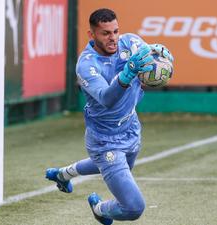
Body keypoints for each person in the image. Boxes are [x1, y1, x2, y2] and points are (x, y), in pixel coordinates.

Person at [45, 8, 173, 225]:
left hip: (131, 129)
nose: (113, 38)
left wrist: (163, 58)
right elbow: (107, 98)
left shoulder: (130, 42)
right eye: (105, 33)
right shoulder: (87, 65)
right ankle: (99, 208)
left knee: (107, 166)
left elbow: (153, 60)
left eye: (115, 31)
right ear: (91, 35)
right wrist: (128, 72)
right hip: (104, 140)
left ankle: (62, 174)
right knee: (133, 207)